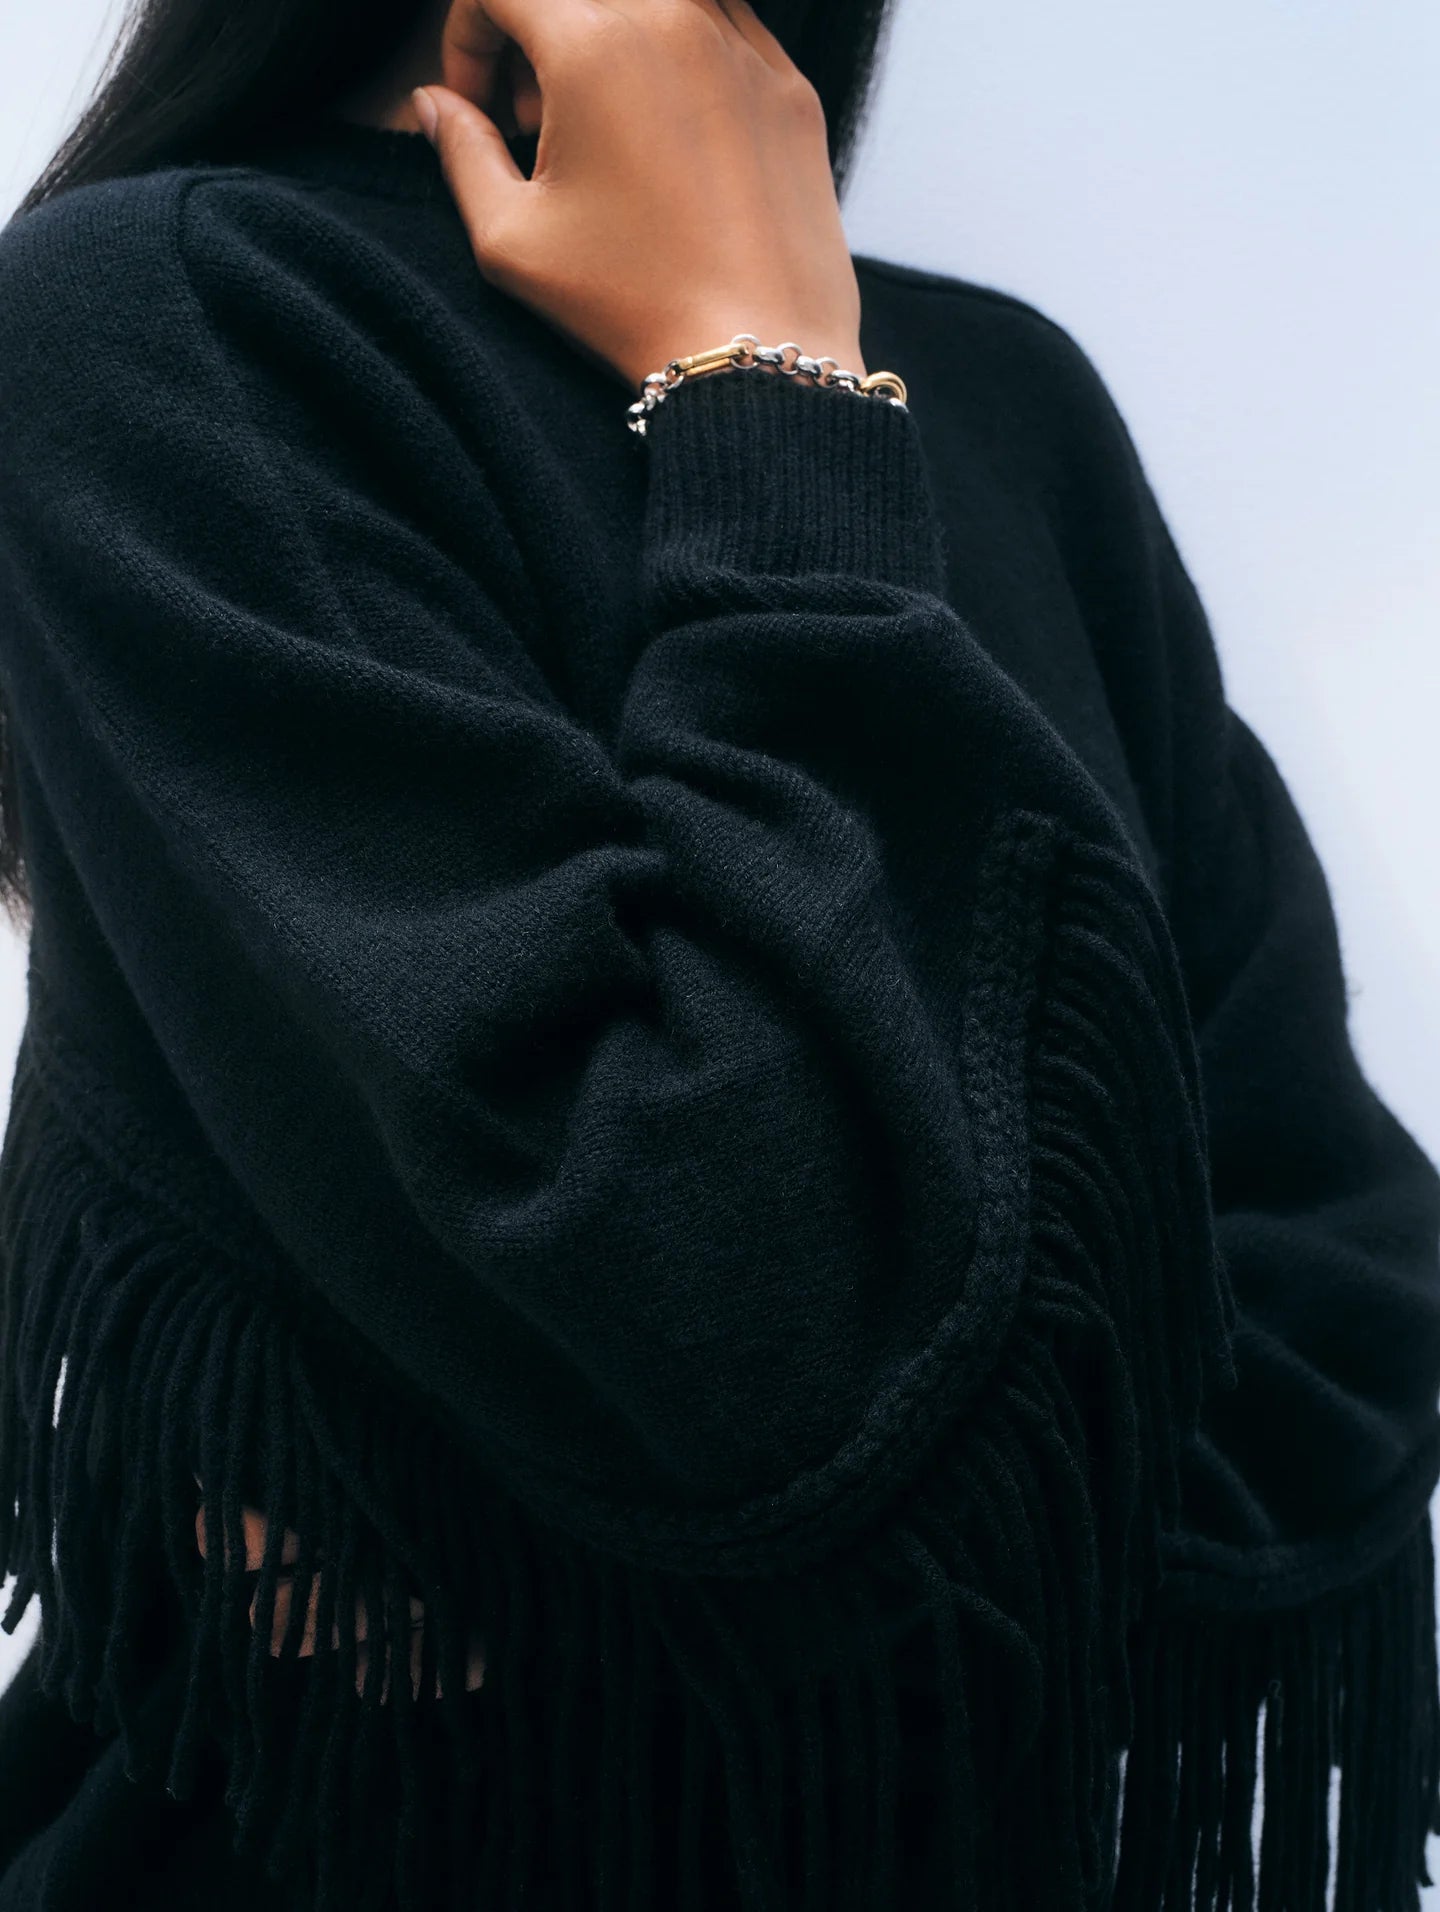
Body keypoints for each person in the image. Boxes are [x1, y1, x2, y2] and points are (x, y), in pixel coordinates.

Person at [0, 0, 1438, 1905]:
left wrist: (598, 1599)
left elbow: (1336, 1269)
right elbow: (707, 1299)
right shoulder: (179, 308)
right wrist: (766, 396)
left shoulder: (1012, 401)